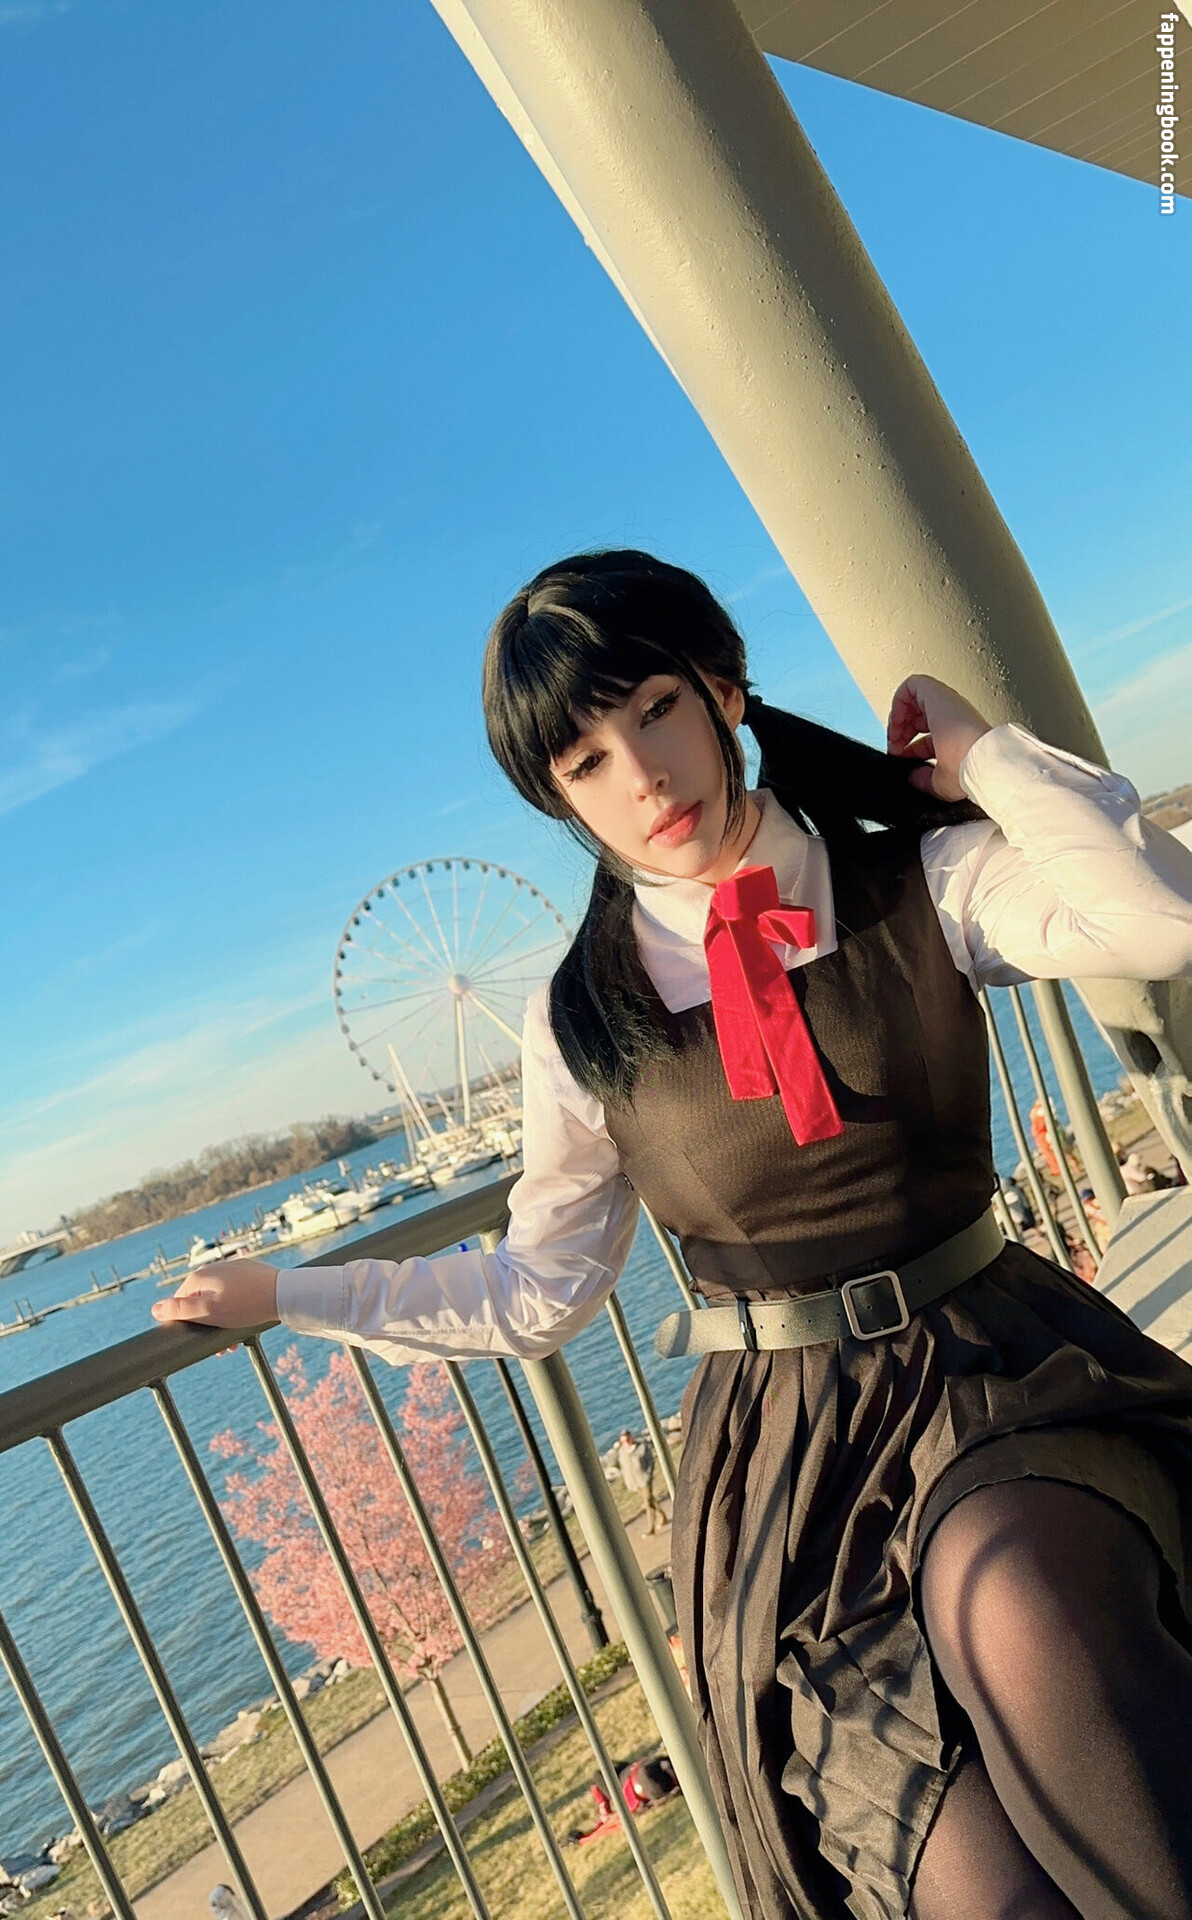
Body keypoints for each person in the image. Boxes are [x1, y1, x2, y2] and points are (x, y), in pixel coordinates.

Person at [155, 551, 1192, 1920]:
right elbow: (539, 1289)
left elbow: (1156, 917)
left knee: (1020, 1596)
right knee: (982, 1880)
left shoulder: (918, 881)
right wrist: (291, 1292)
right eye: (585, 761)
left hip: (998, 1371)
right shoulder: (581, 1019)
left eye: (654, 710)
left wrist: (983, 750)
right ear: (558, 799)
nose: (642, 777)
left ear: (722, 690)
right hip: (794, 1478)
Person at [616, 1425, 669, 1536]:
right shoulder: (622, 1452)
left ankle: (650, 1529)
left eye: (627, 1439)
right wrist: (627, 1481)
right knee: (651, 1500)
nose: (626, 1443)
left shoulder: (641, 1447)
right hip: (634, 1483)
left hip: (644, 1481)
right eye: (623, 1441)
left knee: (648, 1503)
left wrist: (648, 1475)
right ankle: (663, 1516)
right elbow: (623, 1468)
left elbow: (650, 1461)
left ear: (631, 1437)